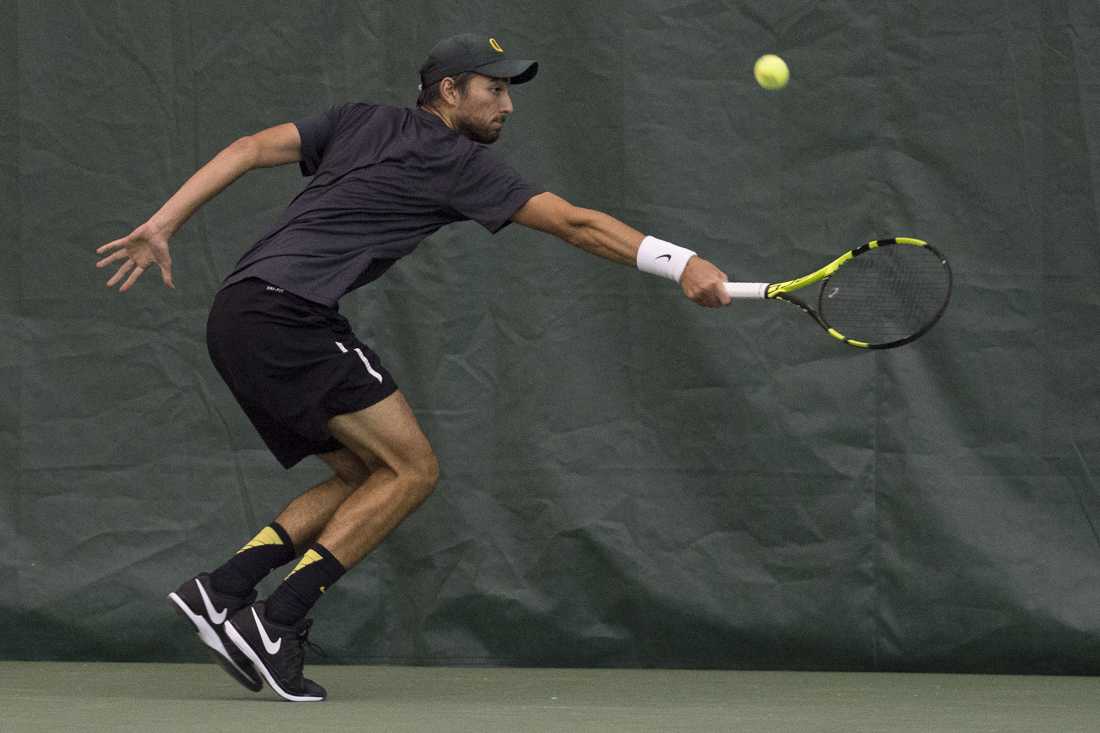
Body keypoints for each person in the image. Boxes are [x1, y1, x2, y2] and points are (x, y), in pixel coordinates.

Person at [95, 33, 732, 702]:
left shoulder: (356, 119)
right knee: (413, 469)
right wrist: (680, 261)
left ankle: (224, 587)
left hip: (237, 312)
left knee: (366, 475)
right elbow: (574, 224)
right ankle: (276, 620)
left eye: (509, 90)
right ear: (449, 91)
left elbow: (247, 149)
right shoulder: (456, 161)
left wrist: (163, 221)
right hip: (290, 316)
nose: (507, 106)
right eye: (494, 89)